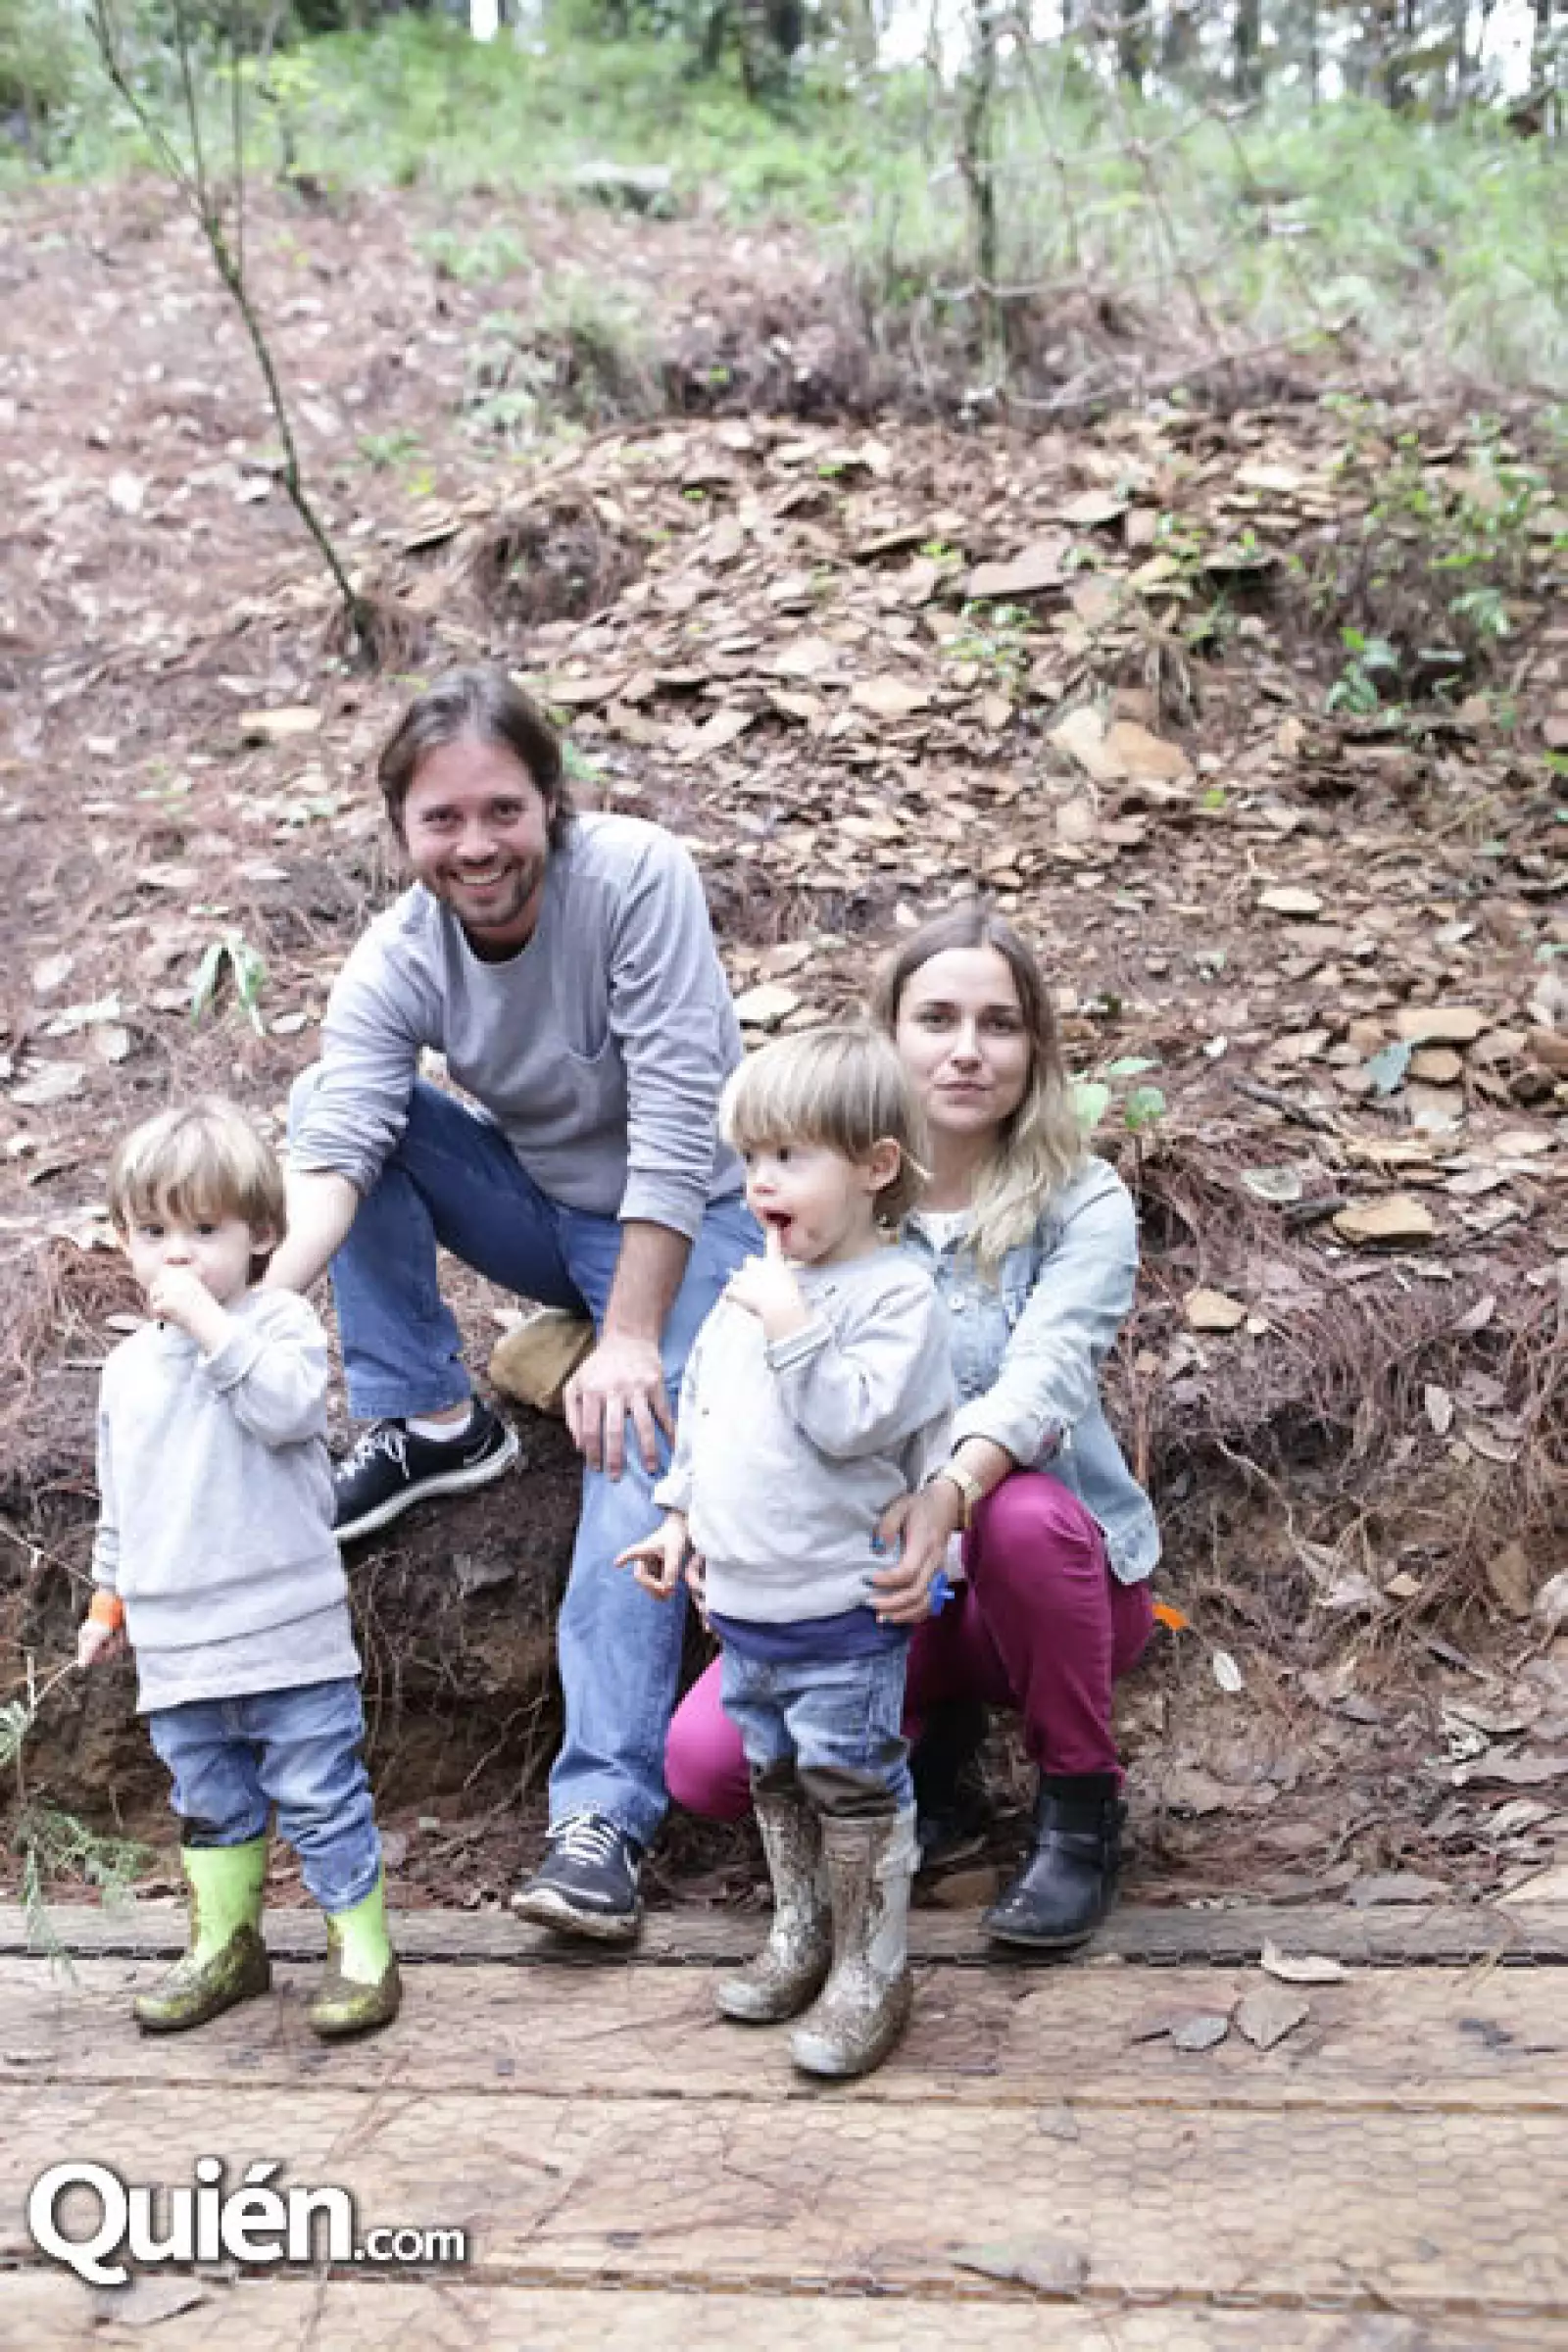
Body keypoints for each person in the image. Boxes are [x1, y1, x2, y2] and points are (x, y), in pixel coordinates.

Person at [274, 666, 756, 1944]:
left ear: (552, 805)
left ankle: (601, 1821)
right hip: (549, 1215)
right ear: (402, 832)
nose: (474, 846)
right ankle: (430, 1418)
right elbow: (339, 1153)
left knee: (630, 1448)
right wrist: (257, 1300)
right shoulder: (402, 957)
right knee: (331, 1109)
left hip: (702, 1218)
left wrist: (636, 1340)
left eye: (501, 811)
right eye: (441, 821)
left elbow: (674, 1126)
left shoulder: (636, 880)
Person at [665, 904, 1160, 1951]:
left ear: (1036, 1049)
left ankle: (1078, 1811)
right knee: (706, 1767)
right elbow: (735, 1386)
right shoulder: (811, 1202)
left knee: (1022, 1514)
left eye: (1001, 1023)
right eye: (936, 1018)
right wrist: (704, 1515)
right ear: (888, 1037)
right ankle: (927, 1752)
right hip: (880, 1594)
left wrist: (949, 1491)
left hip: (1051, 1584)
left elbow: (1045, 1378)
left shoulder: (1082, 1201)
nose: (968, 1051)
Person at [618, 1027, 952, 2078]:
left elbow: (853, 1420)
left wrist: (792, 1320)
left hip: (841, 1609)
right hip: (745, 1607)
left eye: (790, 1157)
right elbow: (713, 1415)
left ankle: (872, 1969)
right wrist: (678, 1517)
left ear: (874, 1168)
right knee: (773, 1772)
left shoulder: (894, 1297)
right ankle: (801, 1931)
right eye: (752, 1158)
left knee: (851, 1780)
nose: (761, 1181)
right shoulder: (755, 1287)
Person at [77, 1100, 400, 2038]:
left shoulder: (280, 1324)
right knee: (209, 1799)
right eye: (154, 1232)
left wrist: (215, 1329)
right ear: (125, 1240)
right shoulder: (128, 1372)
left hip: (286, 1634)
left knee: (319, 1792)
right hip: (179, 1646)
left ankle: (362, 1949)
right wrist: (109, 1600)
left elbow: (287, 1411)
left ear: (262, 1233)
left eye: (205, 1230)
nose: (178, 1255)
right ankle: (227, 1944)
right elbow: (122, 1502)